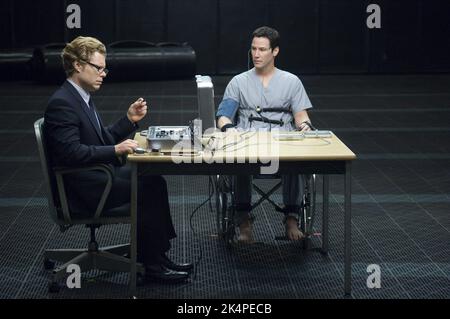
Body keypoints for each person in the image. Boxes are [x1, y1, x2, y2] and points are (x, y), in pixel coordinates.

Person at [44, 36, 192, 284]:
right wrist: (115, 150)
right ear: (78, 65)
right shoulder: (63, 103)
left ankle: (155, 256)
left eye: (105, 68)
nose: (103, 74)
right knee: (147, 186)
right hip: (85, 188)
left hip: (94, 176)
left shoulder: (80, 97)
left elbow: (99, 140)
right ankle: (152, 264)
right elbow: (71, 153)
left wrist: (129, 120)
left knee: (152, 178)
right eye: (98, 68)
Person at [216, 26, 314, 243]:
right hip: (248, 141)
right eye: (253, 49)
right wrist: (228, 129)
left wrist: (305, 126)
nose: (256, 54)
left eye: (262, 49)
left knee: (297, 161)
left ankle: (292, 218)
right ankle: (243, 221)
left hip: (283, 142)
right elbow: (223, 115)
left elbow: (301, 116)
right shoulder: (239, 82)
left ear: (275, 51)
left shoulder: (291, 82)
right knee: (240, 162)